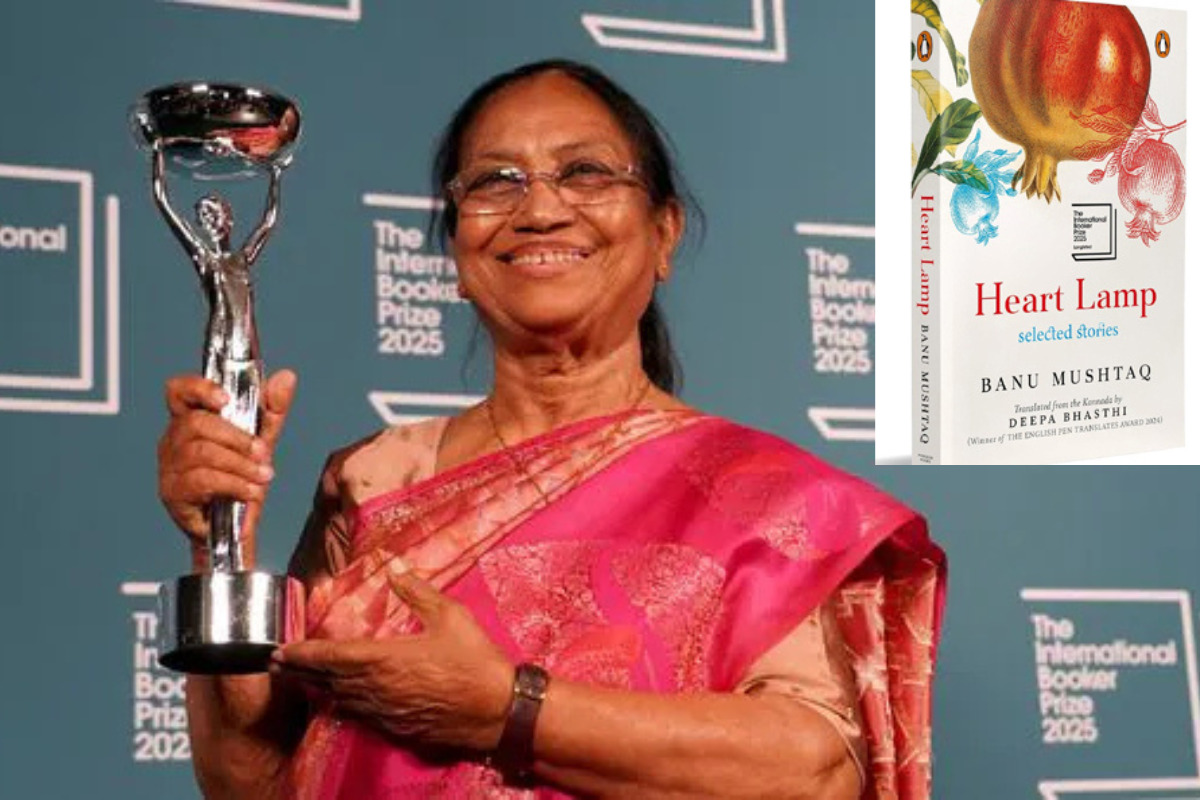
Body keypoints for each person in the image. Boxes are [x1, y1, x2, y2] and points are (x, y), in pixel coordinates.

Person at [158, 59, 945, 799]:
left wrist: (506, 708)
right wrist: (220, 537)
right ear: (457, 252)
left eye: (586, 172)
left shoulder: (766, 499)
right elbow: (254, 781)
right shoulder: (374, 480)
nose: (538, 210)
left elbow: (813, 772)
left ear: (664, 233)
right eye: (494, 181)